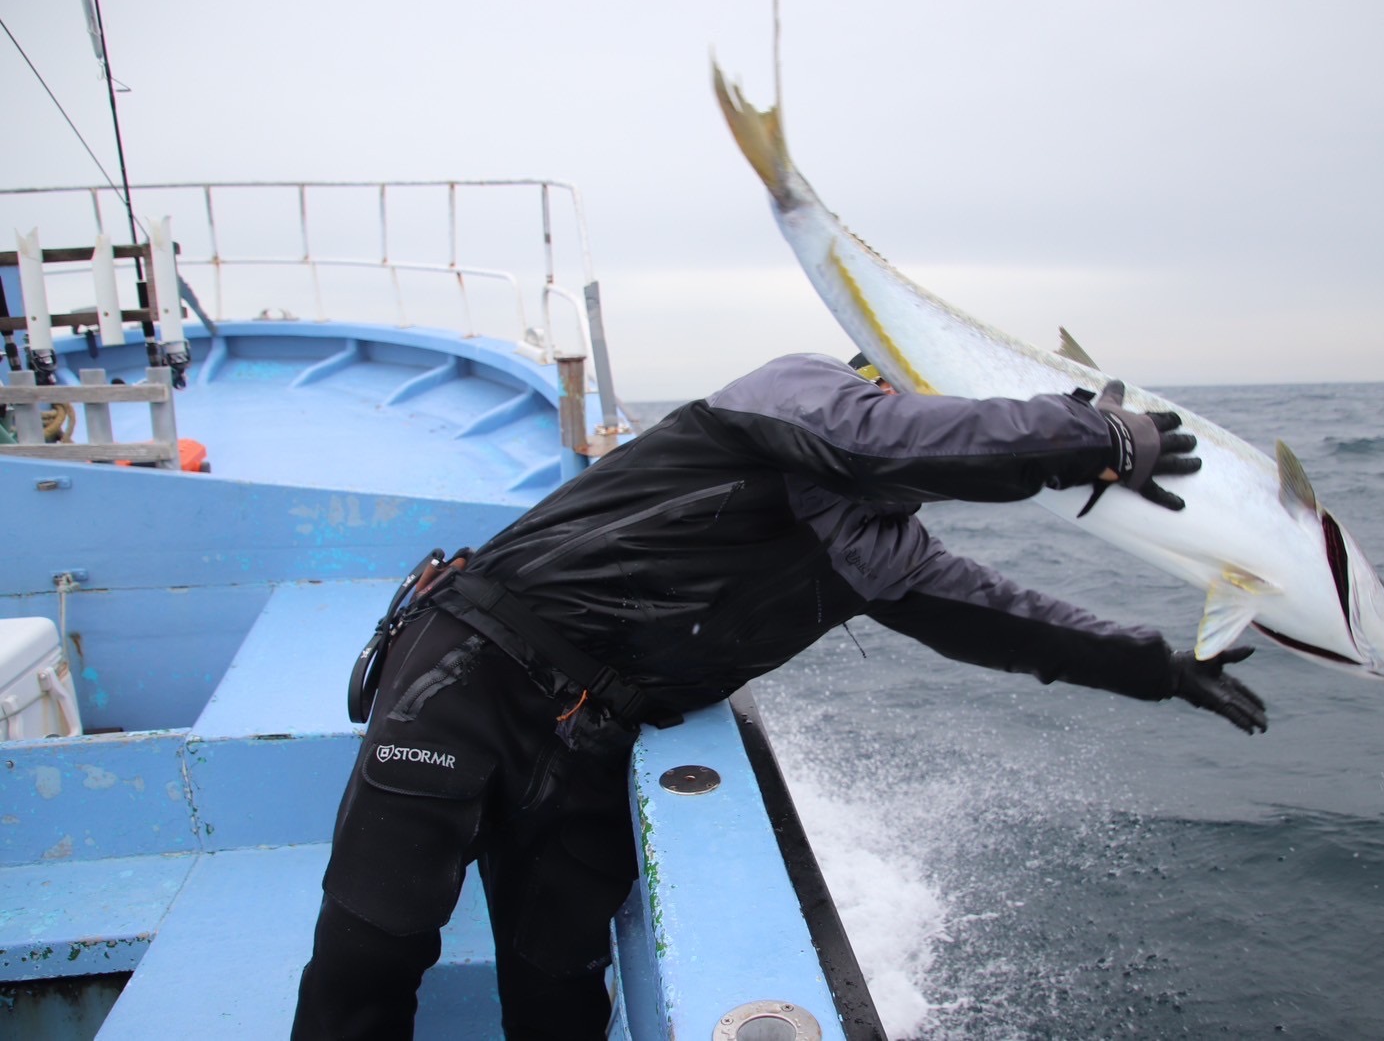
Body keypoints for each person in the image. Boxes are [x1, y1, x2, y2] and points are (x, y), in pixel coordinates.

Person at [291, 352, 1266, 1039]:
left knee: (560, 990)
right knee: (371, 954)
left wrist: (1158, 668)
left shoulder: (880, 556)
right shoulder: (789, 393)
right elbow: (887, 434)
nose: (901, 425)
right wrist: (1093, 436)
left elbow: (1011, 622)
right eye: (892, 403)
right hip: (470, 670)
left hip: (591, 734)